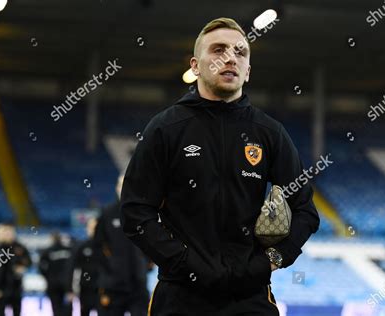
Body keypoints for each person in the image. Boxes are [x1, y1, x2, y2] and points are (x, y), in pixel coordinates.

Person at [121, 17, 320, 316]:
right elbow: (135, 212)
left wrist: (270, 261)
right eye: (218, 50)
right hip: (180, 295)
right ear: (196, 66)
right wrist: (183, 263)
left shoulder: (269, 132)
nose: (230, 58)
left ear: (248, 71)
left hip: (250, 296)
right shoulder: (166, 128)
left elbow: (304, 210)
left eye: (240, 53)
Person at [96, 175, 150, 316]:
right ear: (116, 188)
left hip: (139, 284)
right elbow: (97, 245)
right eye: (121, 185)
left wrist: (145, 265)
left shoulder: (143, 213)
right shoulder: (107, 214)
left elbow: (152, 242)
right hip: (114, 286)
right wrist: (110, 269)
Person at [0, 223, 31, 316]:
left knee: (17, 311)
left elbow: (28, 261)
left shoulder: (19, 247)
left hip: (16, 287)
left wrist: (22, 266)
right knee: (0, 312)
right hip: (0, 287)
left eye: (10, 232)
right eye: (5, 232)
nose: (8, 234)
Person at [39, 232, 78, 316]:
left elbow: (41, 267)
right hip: (67, 284)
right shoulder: (69, 250)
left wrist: (48, 277)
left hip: (54, 284)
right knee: (68, 310)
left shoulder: (48, 251)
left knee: (56, 309)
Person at [73, 218, 101, 316]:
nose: (93, 230)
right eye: (90, 227)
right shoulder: (81, 247)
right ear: (87, 229)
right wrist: (70, 288)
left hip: (102, 288)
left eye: (95, 227)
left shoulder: (105, 246)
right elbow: (73, 268)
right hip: (86, 289)